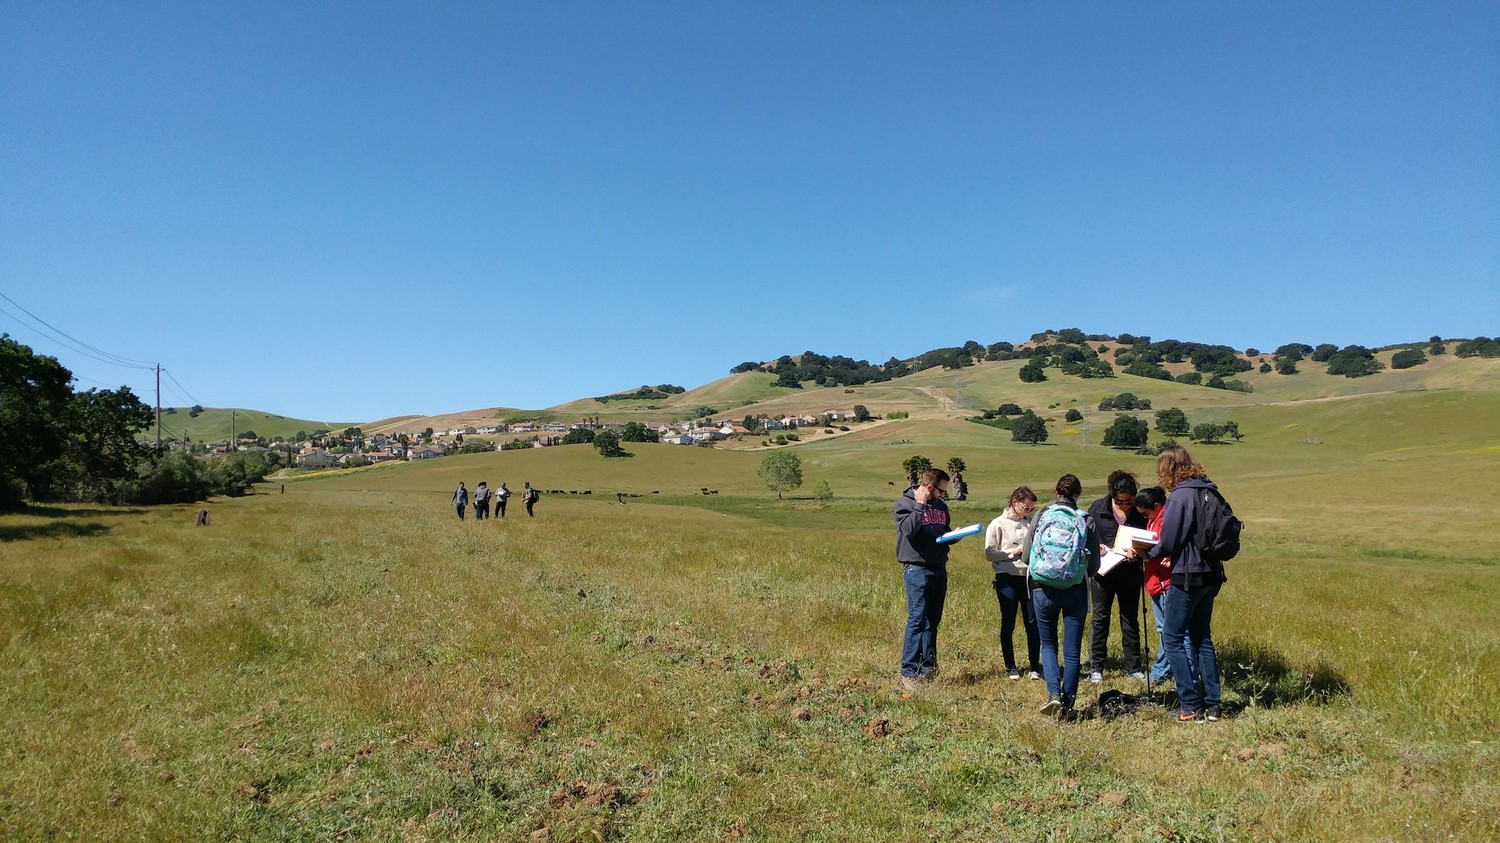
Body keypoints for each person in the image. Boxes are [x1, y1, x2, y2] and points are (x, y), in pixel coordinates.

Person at [1144, 445, 1225, 722]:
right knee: (1202, 636)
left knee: (1172, 636)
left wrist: (1147, 554)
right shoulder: (1210, 490)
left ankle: (1190, 704)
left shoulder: (1180, 496)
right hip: (1213, 574)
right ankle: (1213, 704)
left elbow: (1168, 541)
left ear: (1167, 470)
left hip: (1188, 575)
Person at [1025, 474, 1098, 720]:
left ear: (1056, 490)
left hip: (1041, 587)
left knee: (1048, 644)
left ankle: (1053, 694)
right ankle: (1068, 706)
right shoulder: (1086, 520)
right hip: (1075, 589)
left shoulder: (1042, 515)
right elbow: (1094, 566)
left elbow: (1026, 556)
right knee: (1072, 652)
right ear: (1078, 494)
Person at [894, 468, 957, 690]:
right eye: (941, 491)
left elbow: (943, 531)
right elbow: (908, 530)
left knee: (933, 621)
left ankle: (928, 667)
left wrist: (954, 535)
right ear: (929, 487)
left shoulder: (941, 506)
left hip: (939, 567)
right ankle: (909, 671)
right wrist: (919, 506)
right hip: (916, 569)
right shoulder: (905, 504)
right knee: (917, 619)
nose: (943, 495)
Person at [1085, 470, 1149, 683]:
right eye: (1119, 501)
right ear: (1112, 496)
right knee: (1100, 618)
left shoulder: (1139, 514)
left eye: (1128, 501)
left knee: (1130, 618)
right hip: (1103, 572)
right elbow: (1085, 535)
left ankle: (1133, 666)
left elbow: (1149, 541)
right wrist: (1097, 546)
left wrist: (1138, 553)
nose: (1124, 505)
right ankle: (1096, 667)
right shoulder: (1097, 508)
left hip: (1130, 571)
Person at [1135, 486, 1194, 687]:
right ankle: (1164, 670)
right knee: (1165, 630)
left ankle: (1184, 675)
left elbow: (1168, 547)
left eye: (1145, 512)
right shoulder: (1153, 521)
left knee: (1176, 632)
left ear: (1157, 506)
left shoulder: (1165, 521)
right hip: (1155, 583)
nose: (1143, 516)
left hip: (1166, 584)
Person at [984, 486, 1041, 680]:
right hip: (1007, 578)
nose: (1028, 512)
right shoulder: (997, 524)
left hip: (1029, 578)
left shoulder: (1031, 523)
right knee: (1008, 622)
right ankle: (1011, 667)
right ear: (1015, 502)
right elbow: (989, 553)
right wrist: (1012, 553)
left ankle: (1035, 666)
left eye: (1031, 509)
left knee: (1032, 622)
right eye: (1026, 508)